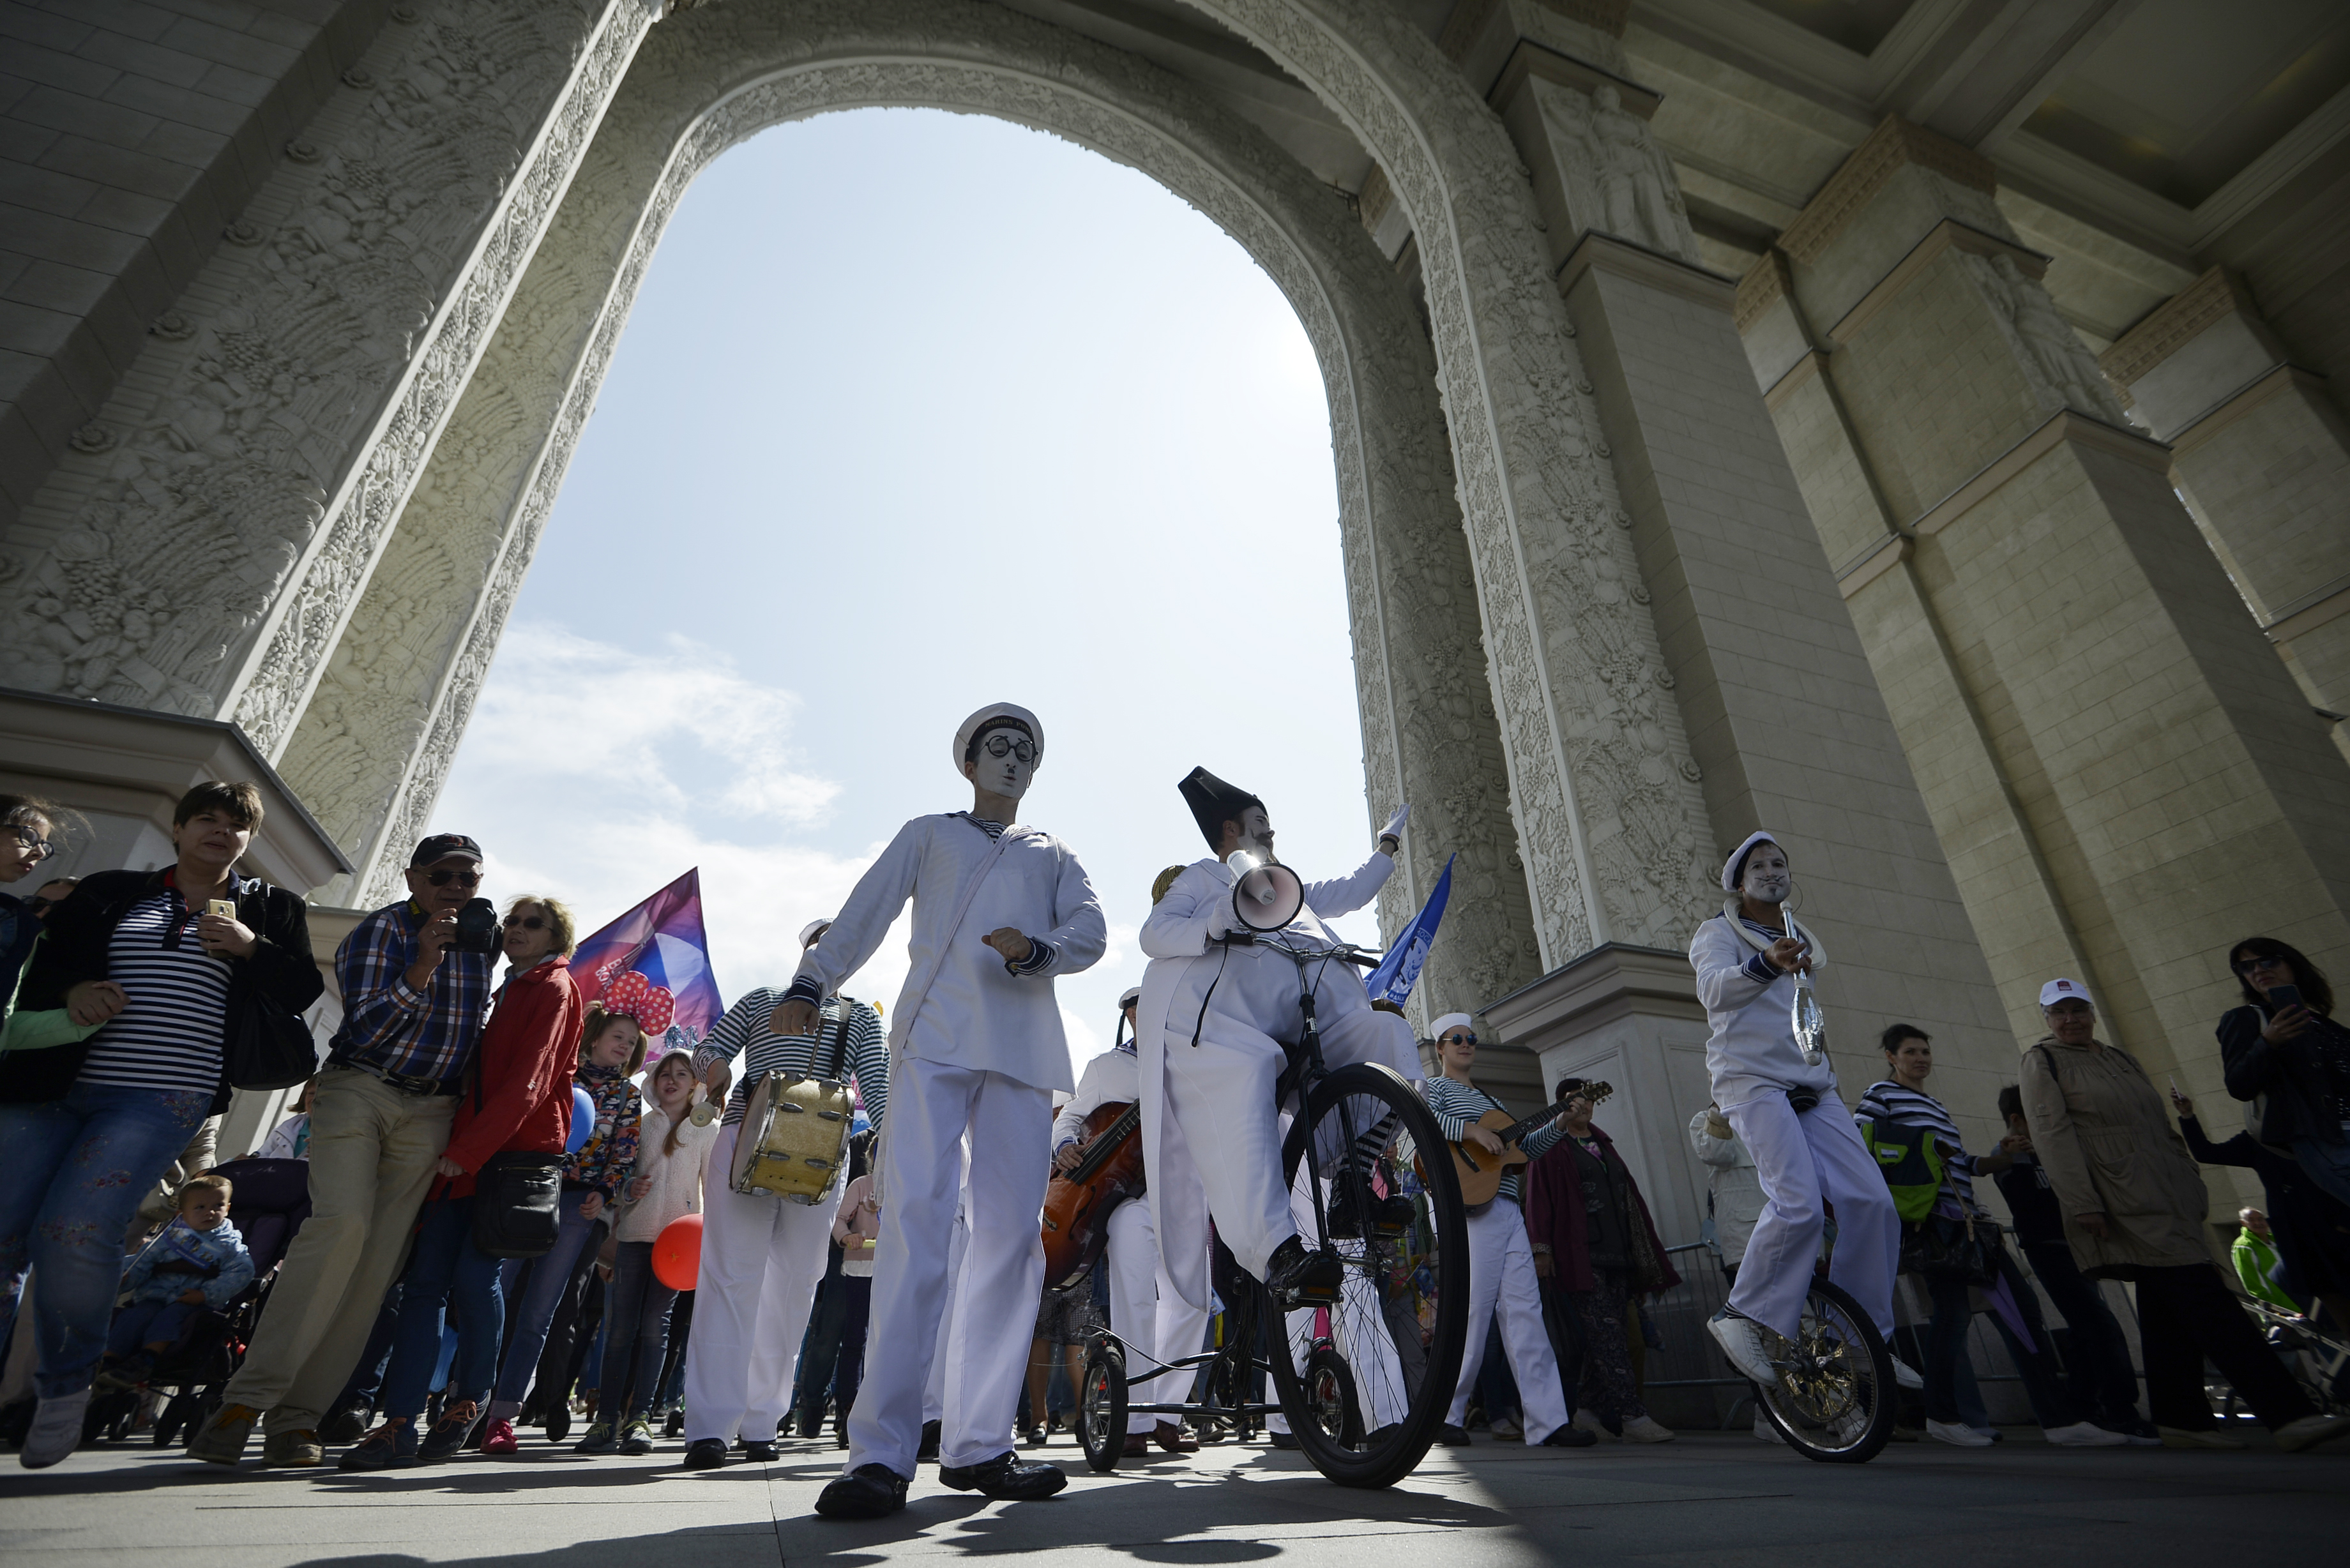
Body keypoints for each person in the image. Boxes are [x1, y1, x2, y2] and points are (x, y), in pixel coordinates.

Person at [799, 704, 1106, 1519]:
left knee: (1010, 1243)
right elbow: (864, 910)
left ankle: (980, 1444)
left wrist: (1041, 951)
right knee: (916, 1232)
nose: (1011, 759)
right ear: (966, 761)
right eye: (996, 747)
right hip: (933, 1042)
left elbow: (1092, 929)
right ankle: (881, 1455)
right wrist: (811, 981)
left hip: (1020, 1051)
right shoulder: (927, 832)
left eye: (1024, 751)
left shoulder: (1052, 852)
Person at [5, 782, 321, 1470]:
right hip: (54, 1086)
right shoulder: (114, 890)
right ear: (179, 828)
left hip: (160, 1098)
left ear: (248, 840)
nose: (220, 830)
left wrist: (250, 948)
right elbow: (47, 965)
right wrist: (73, 992)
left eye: (236, 824)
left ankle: (65, 1382)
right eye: (206, 817)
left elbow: (301, 990)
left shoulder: (270, 907)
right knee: (6, 1230)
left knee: (76, 1230)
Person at [190, 830, 492, 1468]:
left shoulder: (479, 942)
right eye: (444, 875)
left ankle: (297, 1420)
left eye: (470, 878)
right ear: (413, 879)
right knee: (340, 1227)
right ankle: (244, 1400)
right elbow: (370, 1023)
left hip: (432, 1109)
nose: (458, 889)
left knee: (376, 1265)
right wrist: (423, 964)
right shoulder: (380, 931)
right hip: (360, 1088)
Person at [2019, 977, 2348, 1451]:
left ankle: (2182, 1417)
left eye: (2078, 1010)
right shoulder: (2042, 1060)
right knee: (2206, 1296)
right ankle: (2289, 1413)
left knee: (2165, 1302)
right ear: (2047, 1019)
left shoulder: (2118, 1057)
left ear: (2091, 1012)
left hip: (2167, 1193)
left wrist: (2189, 1177)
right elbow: (2051, 1134)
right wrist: (2083, 1202)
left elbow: (2160, 1123)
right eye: (2059, 1012)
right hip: (2118, 1196)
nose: (2070, 1019)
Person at [1137, 769, 1415, 1316]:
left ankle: (1353, 1186)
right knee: (1246, 1074)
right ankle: (1279, 1254)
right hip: (1231, 1025)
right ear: (1230, 830)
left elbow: (1353, 891)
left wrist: (1388, 843)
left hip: (1306, 1017)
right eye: (1261, 823)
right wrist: (1219, 918)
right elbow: (1154, 934)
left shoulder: (1288, 886)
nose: (1270, 833)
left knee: (1387, 1036)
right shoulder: (1199, 877)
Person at [338, 895, 584, 1470]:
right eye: (513, 922)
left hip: (506, 1159)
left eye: (532, 924)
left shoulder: (553, 987)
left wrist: (469, 1152)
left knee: (475, 1280)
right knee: (423, 1285)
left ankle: (469, 1399)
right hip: (463, 1153)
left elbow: (529, 1084)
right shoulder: (507, 987)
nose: (516, 930)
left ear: (556, 938)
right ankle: (398, 1421)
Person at [1688, 833, 1911, 1396]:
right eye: (1758, 864)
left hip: (1814, 1084)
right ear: (1740, 882)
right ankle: (1740, 1315)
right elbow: (1714, 992)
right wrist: (1763, 964)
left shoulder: (1800, 939)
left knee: (1873, 1203)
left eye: (1779, 862)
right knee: (1800, 1204)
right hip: (1752, 1081)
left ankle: (1861, 1341)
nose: (1771, 870)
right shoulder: (1717, 934)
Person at [680, 917, 887, 1469]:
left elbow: (879, 1084)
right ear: (805, 954)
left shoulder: (862, 1017)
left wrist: (888, 1142)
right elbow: (708, 1049)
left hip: (822, 1158)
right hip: (744, 1136)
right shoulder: (763, 998)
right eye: (819, 946)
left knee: (796, 1286)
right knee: (730, 1279)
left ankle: (762, 1419)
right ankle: (708, 1427)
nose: (828, 954)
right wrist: (717, 1069)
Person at [1857, 1025, 2125, 1448]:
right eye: (1911, 1052)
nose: (1921, 1058)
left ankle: (2057, 1421)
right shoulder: (1880, 1095)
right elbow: (1860, 1144)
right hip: (1934, 1222)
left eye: (1925, 1050)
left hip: (1969, 1223)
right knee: (1955, 1316)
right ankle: (1947, 1415)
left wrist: (2005, 1158)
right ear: (1892, 1057)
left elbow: (1960, 1163)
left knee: (2021, 1311)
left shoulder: (1935, 1105)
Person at [1049, 986, 1206, 1456]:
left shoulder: (1193, 1060)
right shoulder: (1106, 1067)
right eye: (1141, 1008)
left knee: (1192, 1302)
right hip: (1127, 1202)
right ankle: (1135, 1417)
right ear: (1132, 1015)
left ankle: (1168, 1414)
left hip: (1185, 1197)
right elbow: (1068, 1119)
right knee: (1135, 1299)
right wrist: (1065, 1146)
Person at [487, 995, 647, 1449]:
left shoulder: (628, 1097)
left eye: (631, 1042)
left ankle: (503, 1415)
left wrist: (604, 1192)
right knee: (494, 1297)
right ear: (594, 1037)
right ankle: (468, 1400)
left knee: (540, 1312)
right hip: (527, 1193)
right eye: (618, 1036)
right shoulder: (560, 1077)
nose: (624, 1045)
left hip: (580, 1208)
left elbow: (626, 1154)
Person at [1419, 1014, 1582, 1448]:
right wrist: (1471, 1129)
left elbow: (1522, 1150)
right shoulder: (1434, 1089)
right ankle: (1446, 1414)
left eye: (1471, 1039)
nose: (1466, 1044)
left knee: (1526, 1314)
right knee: (1472, 1313)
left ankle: (1548, 1421)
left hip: (1509, 1208)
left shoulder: (1492, 1099)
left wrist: (1561, 1124)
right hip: (1473, 1210)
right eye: (1457, 1039)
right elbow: (1421, 1122)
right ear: (1440, 1047)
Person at [1990, 1085, 2154, 1442]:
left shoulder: (2051, 1148)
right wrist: (2019, 1158)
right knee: (2101, 1324)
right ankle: (2122, 1412)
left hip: (2078, 1248)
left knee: (2086, 1329)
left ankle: (2084, 1404)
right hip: (2048, 1249)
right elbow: (2025, 1201)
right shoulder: (2005, 1154)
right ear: (2017, 1119)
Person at [1524, 1077, 1678, 1444]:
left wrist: (1639, 1258)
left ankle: (1588, 1410)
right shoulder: (1551, 1146)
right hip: (1580, 1256)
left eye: (1587, 1099)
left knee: (1608, 1337)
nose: (1583, 1105)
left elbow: (1628, 1199)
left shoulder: (1604, 1144)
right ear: (1561, 1106)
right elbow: (1538, 1198)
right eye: (1574, 1100)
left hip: (1617, 1253)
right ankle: (1632, 1415)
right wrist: (1542, 1250)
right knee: (1608, 1336)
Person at [589, 1046, 716, 1456]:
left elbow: (713, 1192)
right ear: (654, 1083)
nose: (673, 1080)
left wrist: (709, 1241)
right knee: (619, 1330)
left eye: (682, 1074)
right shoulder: (639, 1125)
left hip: (677, 1246)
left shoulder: (706, 1130)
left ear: (695, 1085)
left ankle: (640, 1418)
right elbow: (618, 1180)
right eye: (665, 1073)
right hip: (633, 1239)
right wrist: (628, 1190)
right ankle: (606, 1419)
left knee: (654, 1328)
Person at [2169, 1086, 2350, 1327]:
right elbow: (2206, 1153)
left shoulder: (2319, 1129)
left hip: (2334, 1225)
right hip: (2297, 1231)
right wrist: (2188, 1116)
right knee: (2329, 1298)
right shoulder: (2257, 1141)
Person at [2217, 938, 2350, 1214]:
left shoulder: (2322, 1022)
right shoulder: (2244, 1019)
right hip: (2326, 1138)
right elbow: (2239, 1085)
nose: (2258, 970)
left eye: (2267, 961)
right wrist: (2268, 1043)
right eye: (2246, 967)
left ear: (2292, 963)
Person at [96, 1173, 254, 1389]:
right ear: (182, 1213)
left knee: (171, 1317)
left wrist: (206, 1294)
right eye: (200, 1207)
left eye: (218, 1205)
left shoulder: (229, 1244)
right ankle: (108, 1359)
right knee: (135, 1315)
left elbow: (242, 1272)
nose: (210, 1212)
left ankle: (147, 1359)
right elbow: (143, 1262)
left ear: (227, 1209)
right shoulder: (170, 1237)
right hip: (155, 1295)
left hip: (192, 1301)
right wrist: (126, 1276)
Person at [2231, 1209, 2296, 1312]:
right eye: (2251, 1220)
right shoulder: (2243, 1246)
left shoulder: (2277, 1240)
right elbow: (2252, 1283)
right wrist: (2271, 1309)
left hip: (2301, 1303)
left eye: (2260, 1219)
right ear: (2243, 1223)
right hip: (2281, 1311)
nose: (2257, 1223)